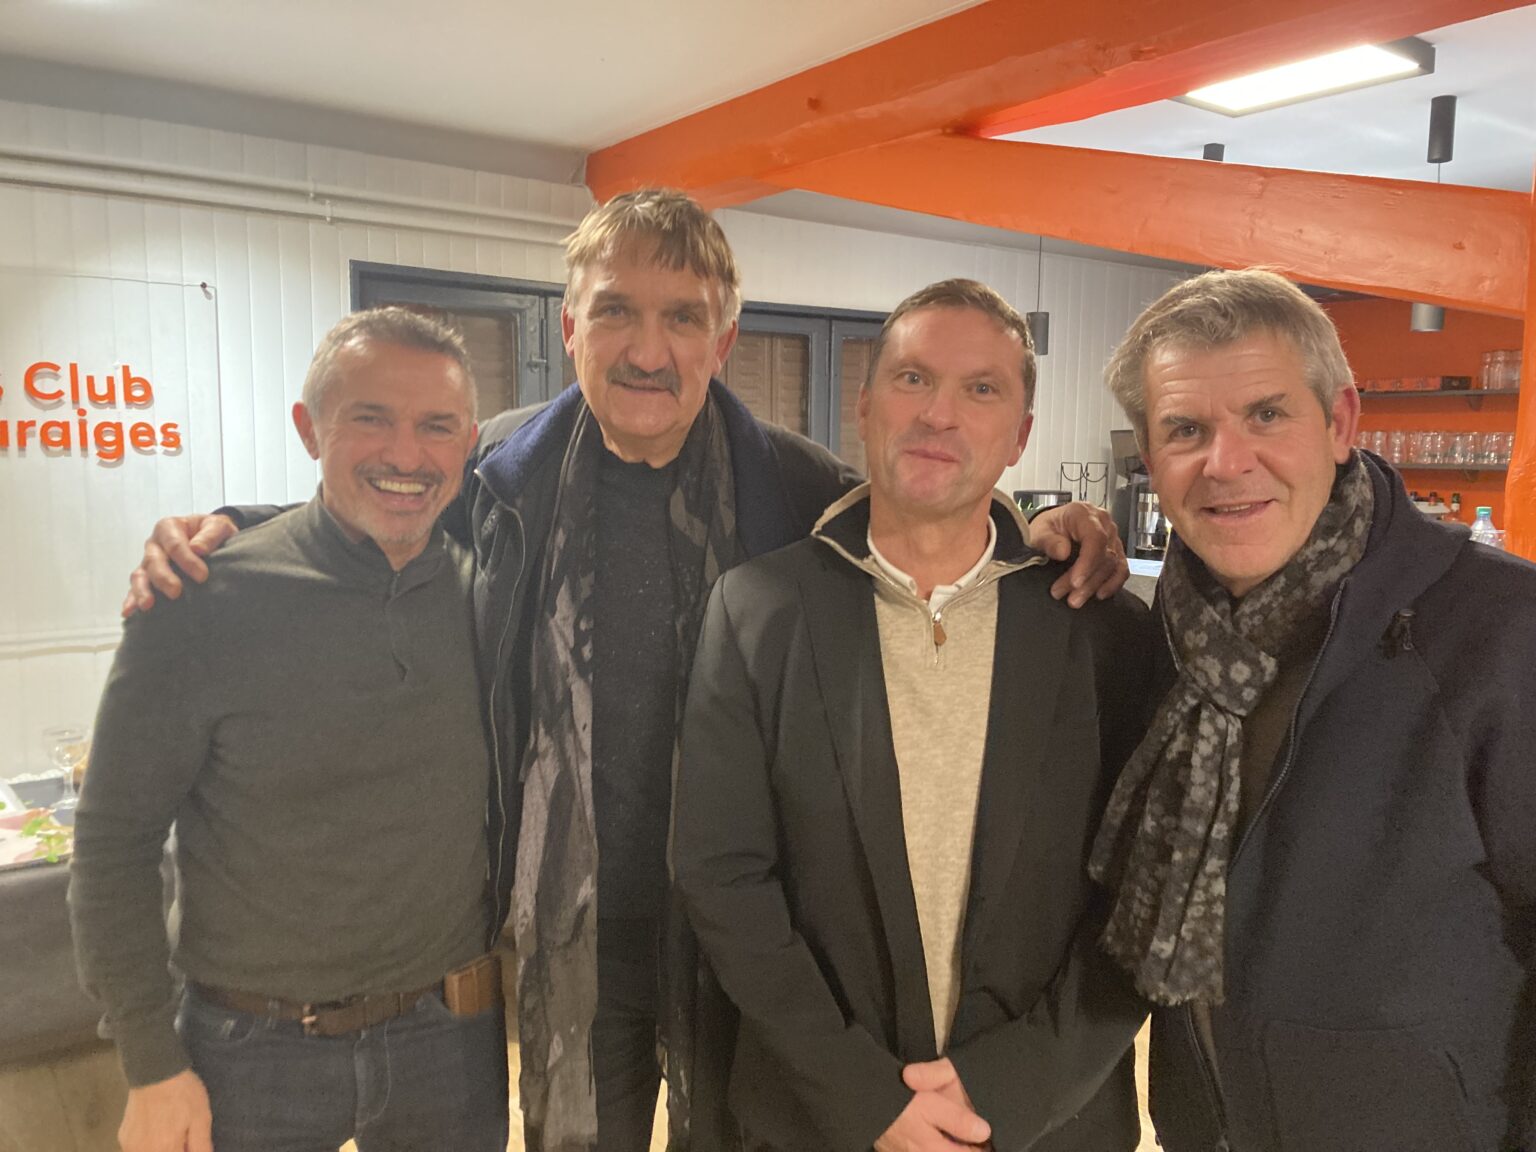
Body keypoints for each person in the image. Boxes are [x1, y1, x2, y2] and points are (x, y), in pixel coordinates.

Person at [121, 190, 1131, 1151]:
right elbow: (382, 505)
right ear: (571, 328)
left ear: (722, 342)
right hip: (571, 935)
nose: (649, 350)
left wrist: (1044, 526)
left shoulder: (794, 485)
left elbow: (926, 509)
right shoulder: (498, 477)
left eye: (683, 317)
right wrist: (235, 529)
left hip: (755, 937)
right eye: (617, 312)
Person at [674, 279, 1153, 1152]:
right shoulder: (757, 612)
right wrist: (863, 1097)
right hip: (817, 1114)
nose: (939, 413)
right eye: (913, 378)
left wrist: (1012, 1085)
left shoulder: (1104, 633)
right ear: (865, 406)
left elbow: (1145, 892)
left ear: (1020, 436)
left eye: (981, 388)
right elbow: (723, 875)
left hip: (1047, 1118)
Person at [1089, 268, 1536, 1152]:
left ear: (1339, 423)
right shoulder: (1165, 637)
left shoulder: (1499, 628)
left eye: (1266, 414)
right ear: (1149, 455)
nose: (1226, 462)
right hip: (1204, 1127)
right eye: (1186, 429)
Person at [69, 308, 507, 1152]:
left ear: (468, 442)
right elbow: (114, 842)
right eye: (370, 418)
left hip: (448, 1041)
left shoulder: (491, 592)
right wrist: (150, 1061)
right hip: (248, 1053)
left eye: (436, 426)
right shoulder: (199, 601)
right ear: (309, 429)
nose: (407, 454)